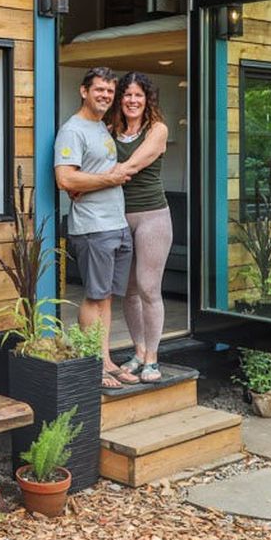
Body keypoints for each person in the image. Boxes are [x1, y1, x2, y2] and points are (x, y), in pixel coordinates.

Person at [53, 67, 137, 388]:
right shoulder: (73, 130)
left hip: (116, 223)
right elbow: (65, 178)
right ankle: (93, 365)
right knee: (94, 296)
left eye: (109, 92)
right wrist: (109, 178)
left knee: (107, 298)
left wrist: (100, 180)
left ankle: (105, 359)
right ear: (83, 91)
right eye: (99, 89)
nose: (105, 95)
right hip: (93, 226)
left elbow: (87, 177)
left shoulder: (101, 127)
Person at [108, 71, 172, 384]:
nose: (133, 101)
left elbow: (133, 165)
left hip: (152, 217)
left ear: (147, 100)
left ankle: (153, 358)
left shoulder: (157, 130)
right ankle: (138, 350)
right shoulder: (109, 130)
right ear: (120, 99)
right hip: (120, 217)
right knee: (128, 291)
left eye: (138, 95)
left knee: (148, 288)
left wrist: (99, 177)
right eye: (127, 95)